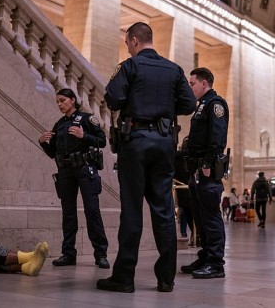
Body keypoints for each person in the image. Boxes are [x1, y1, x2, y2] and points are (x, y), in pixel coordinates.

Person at [98, 21, 196, 293]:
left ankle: (124, 278)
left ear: (133, 41)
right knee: (164, 210)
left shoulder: (129, 66)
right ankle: (166, 279)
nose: (128, 48)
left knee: (131, 210)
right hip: (164, 144)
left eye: (128, 44)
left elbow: (114, 98)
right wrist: (164, 108)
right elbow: (189, 104)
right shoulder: (174, 69)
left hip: (135, 142)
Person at [39, 88, 110, 269]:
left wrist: (83, 135)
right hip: (65, 172)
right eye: (58, 102)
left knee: (92, 211)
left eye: (63, 100)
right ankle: (68, 253)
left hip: (85, 169)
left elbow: (102, 141)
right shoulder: (59, 124)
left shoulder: (87, 119)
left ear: (72, 100)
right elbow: (53, 153)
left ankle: (101, 254)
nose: (60, 104)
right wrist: (42, 143)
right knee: (68, 213)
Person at [180, 67, 229, 279]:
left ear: (204, 83)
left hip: (207, 170)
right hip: (196, 170)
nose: (190, 87)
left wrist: (208, 162)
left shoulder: (215, 104)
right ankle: (205, 256)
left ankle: (216, 263)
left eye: (192, 83)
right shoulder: (201, 106)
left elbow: (217, 137)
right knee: (200, 217)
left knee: (210, 217)